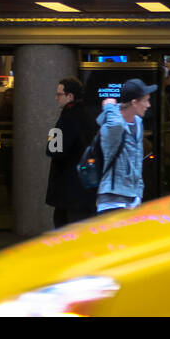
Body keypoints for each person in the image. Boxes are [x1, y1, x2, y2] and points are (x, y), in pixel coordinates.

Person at [95, 78, 155, 213]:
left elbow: (138, 159)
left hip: (132, 199)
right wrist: (109, 106)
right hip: (112, 201)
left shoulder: (138, 122)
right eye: (145, 100)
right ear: (134, 103)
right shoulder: (113, 125)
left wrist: (139, 193)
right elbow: (115, 124)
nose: (148, 105)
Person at [45, 77, 97, 227]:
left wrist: (51, 138)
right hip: (84, 186)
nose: (56, 98)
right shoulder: (87, 115)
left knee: (65, 226)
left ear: (70, 96)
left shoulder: (68, 118)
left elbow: (54, 149)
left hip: (69, 188)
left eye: (59, 94)